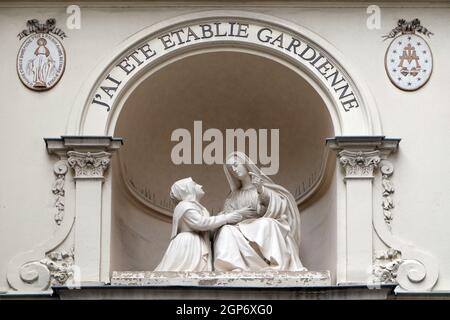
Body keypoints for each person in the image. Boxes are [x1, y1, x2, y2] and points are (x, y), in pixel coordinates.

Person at [214, 152, 306, 271]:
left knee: (267, 224)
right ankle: (235, 267)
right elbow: (226, 216)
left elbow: (278, 208)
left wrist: (261, 191)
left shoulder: (264, 188)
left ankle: (275, 265)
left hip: (261, 223)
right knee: (225, 230)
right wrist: (240, 214)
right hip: (239, 228)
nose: (234, 170)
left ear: (245, 164)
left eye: (236, 165)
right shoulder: (233, 197)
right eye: (231, 169)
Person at [154, 177, 246, 271]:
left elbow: (206, 227)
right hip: (188, 244)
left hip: (196, 242)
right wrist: (225, 218)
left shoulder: (196, 207)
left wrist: (222, 219)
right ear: (189, 190)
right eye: (195, 184)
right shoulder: (185, 206)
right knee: (184, 271)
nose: (200, 185)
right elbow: (201, 223)